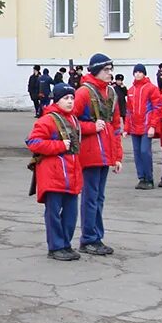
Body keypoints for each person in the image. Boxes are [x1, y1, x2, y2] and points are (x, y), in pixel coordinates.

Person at [72, 54, 123, 255]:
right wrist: (91, 127)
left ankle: (96, 237)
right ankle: (88, 238)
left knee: (99, 197)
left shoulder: (111, 92)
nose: (110, 73)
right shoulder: (83, 92)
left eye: (111, 69)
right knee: (91, 197)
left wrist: (117, 155)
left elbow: (116, 124)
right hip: (90, 152)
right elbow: (70, 121)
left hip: (105, 151)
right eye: (106, 70)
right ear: (95, 71)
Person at [27, 83, 83, 260]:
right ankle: (55, 246)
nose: (70, 101)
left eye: (72, 98)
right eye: (66, 98)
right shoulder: (47, 120)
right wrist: (58, 146)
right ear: (57, 100)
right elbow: (33, 142)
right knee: (53, 214)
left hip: (71, 173)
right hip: (53, 174)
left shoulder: (73, 120)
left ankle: (66, 244)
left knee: (71, 213)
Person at [125, 63, 159, 189]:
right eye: (136, 72)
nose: (138, 74)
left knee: (145, 152)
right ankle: (141, 178)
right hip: (135, 127)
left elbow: (156, 108)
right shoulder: (131, 90)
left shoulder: (151, 88)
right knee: (137, 153)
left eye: (140, 72)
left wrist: (152, 126)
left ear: (144, 73)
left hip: (146, 127)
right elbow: (128, 111)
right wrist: (126, 128)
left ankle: (149, 178)